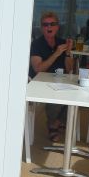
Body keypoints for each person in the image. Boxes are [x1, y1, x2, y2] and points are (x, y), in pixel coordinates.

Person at [29, 11, 74, 142]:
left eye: (52, 24)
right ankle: (53, 123)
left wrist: (68, 52)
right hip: (40, 83)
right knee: (56, 97)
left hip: (59, 82)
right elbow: (38, 69)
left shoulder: (62, 43)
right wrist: (56, 53)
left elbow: (70, 69)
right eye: (45, 24)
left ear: (57, 27)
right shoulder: (36, 44)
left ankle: (56, 121)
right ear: (41, 28)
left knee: (75, 94)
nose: (49, 27)